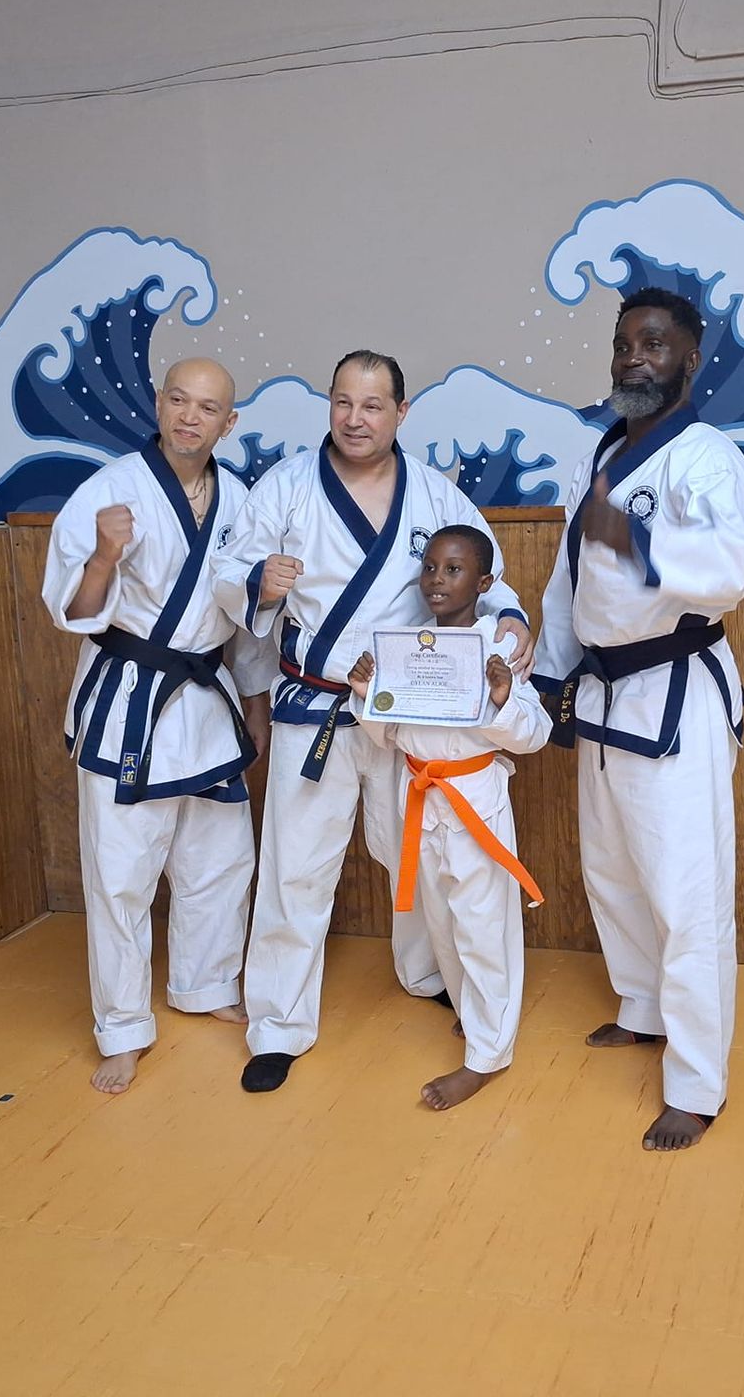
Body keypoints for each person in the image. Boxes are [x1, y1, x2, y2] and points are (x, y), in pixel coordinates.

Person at [215, 350, 536, 1093]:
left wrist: (512, 614)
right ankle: (279, 1025)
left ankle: (431, 975)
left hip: (406, 712)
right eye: (342, 403)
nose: (355, 419)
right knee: (297, 869)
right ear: (329, 406)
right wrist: (258, 582)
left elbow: (486, 571)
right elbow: (228, 575)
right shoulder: (288, 488)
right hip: (315, 706)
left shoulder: (432, 492)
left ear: (401, 412)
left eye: (372, 405)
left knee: (417, 856)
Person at [533, 289, 744, 1151]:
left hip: (673, 692)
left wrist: (636, 540)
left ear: (689, 360)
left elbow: (730, 566)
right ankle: (641, 1007)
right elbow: (569, 584)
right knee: (615, 870)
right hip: (602, 695)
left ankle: (699, 1082)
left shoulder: (706, 458)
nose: (635, 357)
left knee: (686, 892)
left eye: (654, 345)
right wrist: (549, 677)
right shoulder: (603, 454)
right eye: (625, 343)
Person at [42, 357, 274, 1095]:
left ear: (227, 423)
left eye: (208, 408)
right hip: (128, 701)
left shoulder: (241, 499)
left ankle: (206, 987)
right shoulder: (107, 491)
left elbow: (247, 624)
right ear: (159, 402)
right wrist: (107, 555)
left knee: (220, 859)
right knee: (120, 874)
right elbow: (71, 612)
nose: (189, 416)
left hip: (207, 699)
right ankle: (121, 1027)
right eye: (178, 399)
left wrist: (256, 703)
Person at [345, 525, 550, 1109]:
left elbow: (535, 735)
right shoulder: (407, 647)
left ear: (485, 583)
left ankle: (487, 1055)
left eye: (454, 570)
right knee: (444, 928)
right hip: (420, 795)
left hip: (475, 797)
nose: (437, 580)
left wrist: (503, 697)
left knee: (484, 927)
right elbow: (390, 736)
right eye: (430, 568)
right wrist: (366, 696)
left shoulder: (499, 649)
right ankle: (476, 1018)